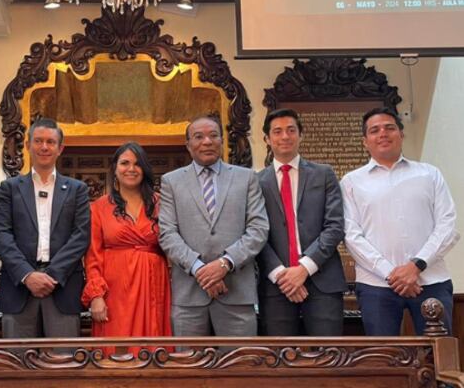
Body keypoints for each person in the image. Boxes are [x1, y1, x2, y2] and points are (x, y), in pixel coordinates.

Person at [341, 107, 459, 335]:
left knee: (439, 352)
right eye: (374, 130)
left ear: (401, 134)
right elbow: (351, 235)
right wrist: (391, 274)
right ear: (365, 142)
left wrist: (417, 265)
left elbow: (447, 225)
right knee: (383, 354)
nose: (383, 134)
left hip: (431, 280)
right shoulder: (351, 182)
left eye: (390, 128)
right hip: (377, 285)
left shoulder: (429, 174)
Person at [158, 115, 268, 337]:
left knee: (241, 358)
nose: (207, 141)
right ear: (188, 145)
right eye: (199, 137)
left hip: (236, 292)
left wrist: (225, 264)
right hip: (189, 297)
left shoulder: (246, 178)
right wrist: (200, 270)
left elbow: (258, 228)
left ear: (222, 141)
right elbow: (167, 234)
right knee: (188, 359)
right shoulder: (171, 181)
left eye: (213, 135)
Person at [0, 118, 91, 339]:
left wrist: (52, 275)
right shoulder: (9, 188)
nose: (44, 147)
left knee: (63, 357)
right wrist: (27, 275)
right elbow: (1, 234)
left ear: (60, 148)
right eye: (38, 141)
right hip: (19, 287)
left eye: (50, 142)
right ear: (28, 145)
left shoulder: (77, 189)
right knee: (17, 359)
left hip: (63, 288)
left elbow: (81, 236)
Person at [256, 109, 347, 336]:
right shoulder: (256, 182)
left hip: (322, 280)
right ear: (267, 139)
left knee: (328, 352)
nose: (285, 136)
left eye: (291, 130)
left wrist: (304, 268)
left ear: (300, 135)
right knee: (281, 354)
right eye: (277, 131)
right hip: (276, 285)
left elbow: (335, 226)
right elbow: (254, 232)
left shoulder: (324, 174)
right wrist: (282, 275)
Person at [81, 142, 171, 352]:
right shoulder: (99, 207)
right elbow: (92, 256)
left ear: (144, 169)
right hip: (115, 291)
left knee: (153, 349)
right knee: (116, 351)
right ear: (114, 168)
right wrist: (96, 295)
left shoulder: (161, 204)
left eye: (137, 164)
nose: (131, 168)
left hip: (153, 287)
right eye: (125, 163)